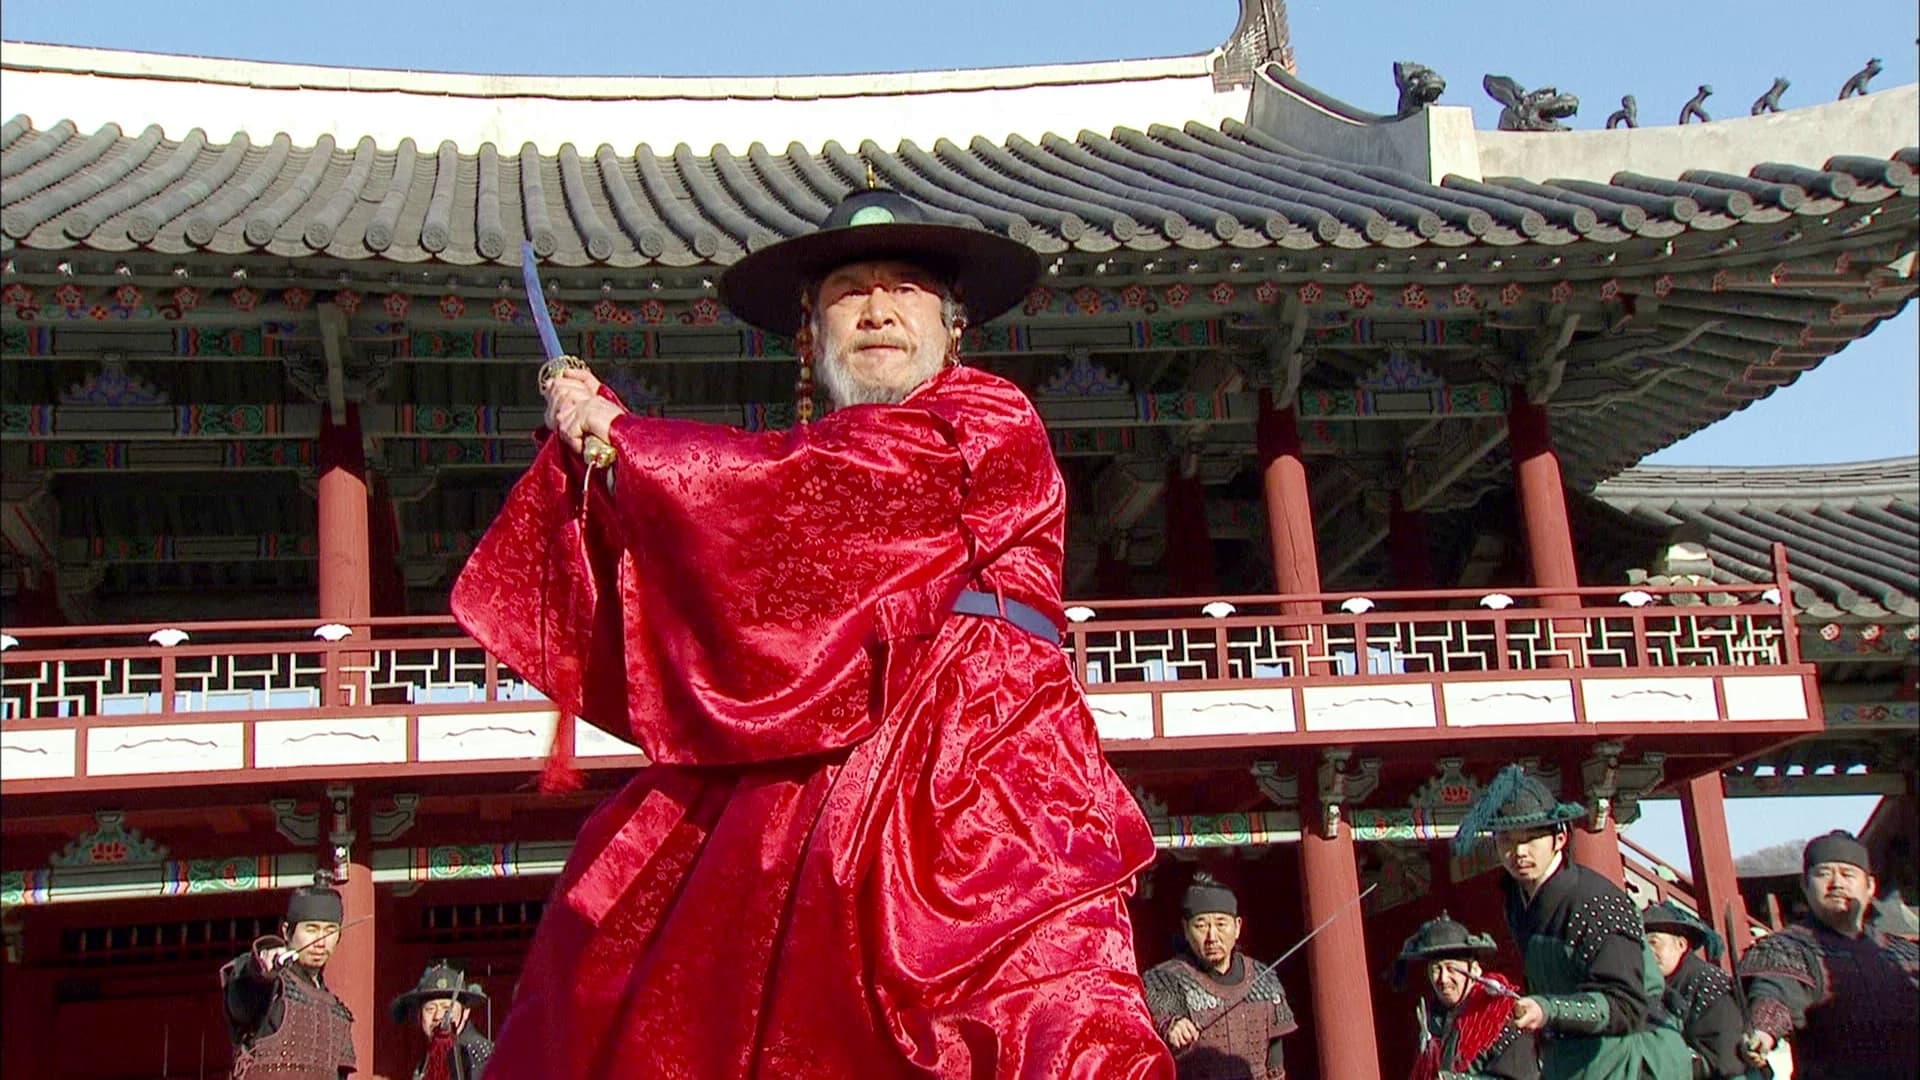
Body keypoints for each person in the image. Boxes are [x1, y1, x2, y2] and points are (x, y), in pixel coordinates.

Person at [451, 188, 1171, 1078]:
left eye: (904, 288)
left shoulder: (987, 419)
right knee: (629, 913)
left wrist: (632, 440)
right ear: (810, 333)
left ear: (954, 326)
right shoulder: (799, 465)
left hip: (985, 774)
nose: (877, 311)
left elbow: (822, 489)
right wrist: (605, 469)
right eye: (849, 292)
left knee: (1045, 1022)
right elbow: (741, 554)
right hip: (816, 773)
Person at [1451, 765, 1690, 1079]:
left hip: (1633, 1058)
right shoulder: (1516, 899)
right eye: (1506, 840)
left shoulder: (1596, 902)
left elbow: (1625, 1005)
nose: (1519, 851)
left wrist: (1549, 1009)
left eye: (1531, 838)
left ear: (1559, 838)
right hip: (1571, 1057)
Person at [1737, 829, 1919, 1079]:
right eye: (1824, 874)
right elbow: (1776, 994)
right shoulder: (1789, 948)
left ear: (1870, 886)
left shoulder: (1903, 953)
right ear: (1805, 884)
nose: (1837, 884)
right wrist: (1763, 1032)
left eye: (1848, 874)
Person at [1140, 872, 1297, 1079]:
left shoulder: (1264, 978)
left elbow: (1275, 1064)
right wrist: (1171, 1025)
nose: (1212, 937)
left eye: (1221, 924)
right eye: (1201, 926)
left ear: (1237, 927)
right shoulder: (1165, 979)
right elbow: (1156, 1017)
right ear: (1186, 929)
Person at [219, 880, 356, 1079]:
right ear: (286, 930)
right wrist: (261, 967)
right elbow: (243, 996)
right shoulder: (270, 985)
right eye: (311, 929)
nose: (321, 941)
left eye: (330, 930)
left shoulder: (338, 1012)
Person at [1390, 912, 1539, 1080]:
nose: (1443, 979)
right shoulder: (1434, 1024)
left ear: (1474, 969)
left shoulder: (1502, 1014)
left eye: (1451, 968)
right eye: (1436, 970)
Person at [1639, 902, 1751, 1079]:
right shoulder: (1645, 986)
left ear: (1681, 945)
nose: (1648, 952)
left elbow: (1726, 1058)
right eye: (1642, 945)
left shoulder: (1709, 982)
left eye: (1654, 942)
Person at [390, 962, 493, 1079]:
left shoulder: (485, 1058)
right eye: (430, 1009)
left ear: (465, 1012)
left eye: (446, 1008)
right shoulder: (427, 1061)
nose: (438, 1016)